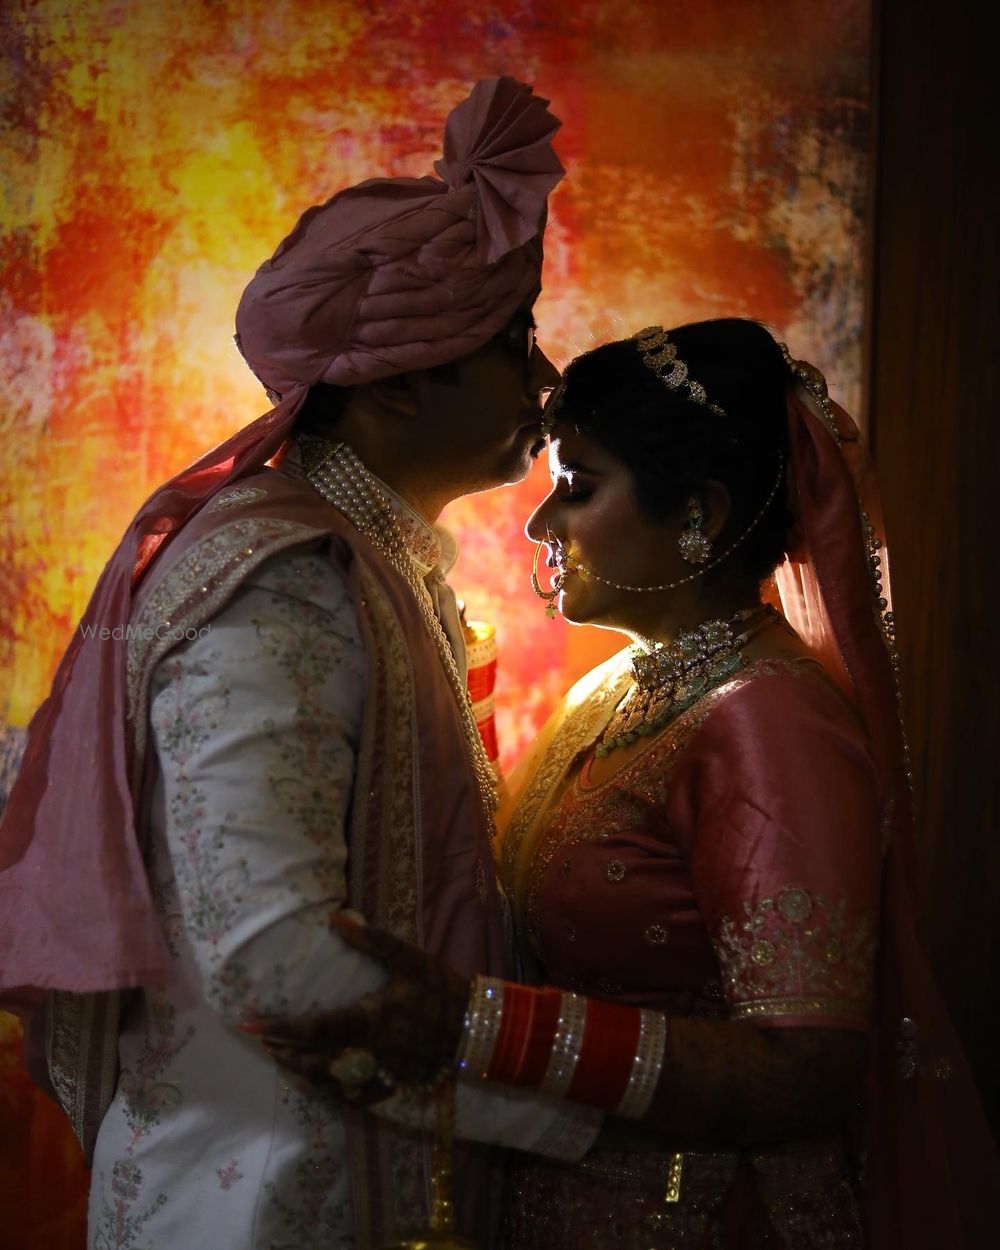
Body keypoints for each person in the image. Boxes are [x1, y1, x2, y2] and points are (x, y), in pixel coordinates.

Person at [0, 78, 604, 1250]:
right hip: (262, 1205)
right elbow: (270, 962)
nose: (542, 382)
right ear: (395, 382)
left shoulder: (373, 565)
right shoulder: (285, 580)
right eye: (509, 343)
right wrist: (592, 1115)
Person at [257, 318, 1000, 1248]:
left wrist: (478, 1027)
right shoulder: (610, 691)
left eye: (577, 487)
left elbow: (806, 1066)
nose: (540, 525)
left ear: (701, 515)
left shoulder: (769, 723)